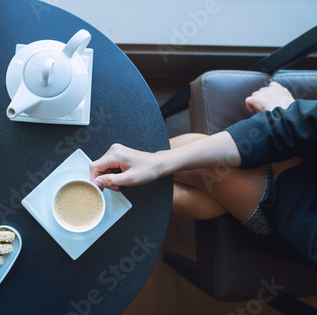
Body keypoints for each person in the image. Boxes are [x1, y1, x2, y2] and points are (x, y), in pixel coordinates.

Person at [89, 82, 317, 266]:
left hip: (303, 219)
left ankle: (116, 188)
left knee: (205, 169)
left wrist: (288, 118)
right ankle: (120, 189)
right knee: (204, 188)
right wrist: (291, 117)